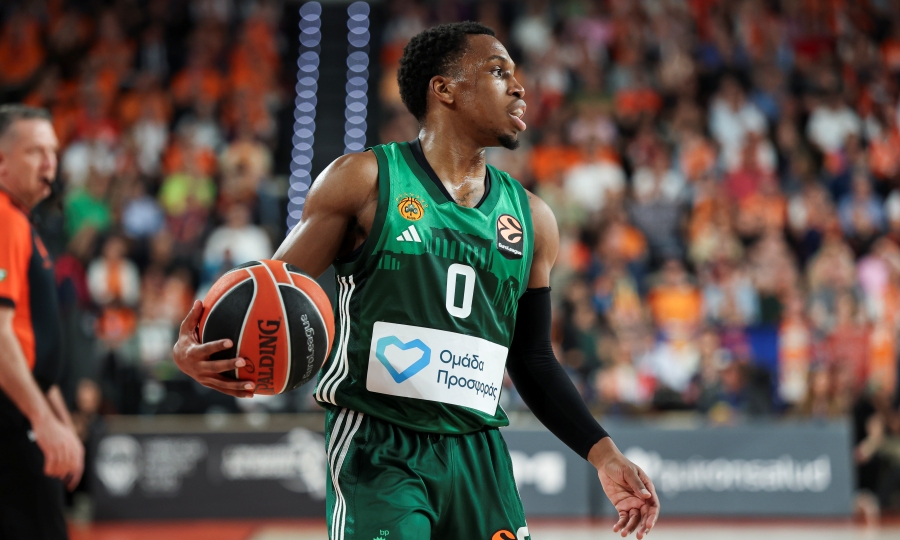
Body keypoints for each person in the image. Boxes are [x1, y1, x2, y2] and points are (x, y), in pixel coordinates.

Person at [174, 23, 659, 539]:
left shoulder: (533, 219)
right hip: (380, 447)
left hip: (479, 454)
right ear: (444, 89)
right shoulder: (363, 180)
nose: (520, 87)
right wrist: (196, 346)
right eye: (498, 72)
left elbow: (532, 358)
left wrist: (604, 454)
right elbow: (272, 293)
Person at [0, 105, 83, 539]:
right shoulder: (3, 219)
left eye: (53, 151)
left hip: (24, 413)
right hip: (12, 421)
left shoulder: (22, 223)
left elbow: (30, 343)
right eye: (35, 151)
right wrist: (43, 420)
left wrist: (61, 421)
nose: (49, 162)